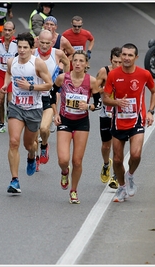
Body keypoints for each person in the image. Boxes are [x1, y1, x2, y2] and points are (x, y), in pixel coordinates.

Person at [103, 43, 155, 203]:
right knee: (118, 159)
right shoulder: (113, 75)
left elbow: (154, 91)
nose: (126, 58)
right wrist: (117, 103)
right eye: (124, 55)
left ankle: (131, 175)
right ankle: (121, 187)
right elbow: (105, 98)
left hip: (137, 120)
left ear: (136, 57)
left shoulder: (144, 74)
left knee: (136, 154)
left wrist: (150, 111)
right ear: (120, 56)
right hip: (118, 121)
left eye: (129, 55)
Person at [1, 32, 53, 194]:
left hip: (34, 109)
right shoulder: (12, 61)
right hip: (16, 107)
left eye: (25, 47)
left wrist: (30, 87)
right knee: (14, 142)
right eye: (20, 47)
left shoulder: (37, 64)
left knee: (28, 145)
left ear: (32, 48)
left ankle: (32, 155)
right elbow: (9, 72)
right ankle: (14, 180)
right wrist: (5, 84)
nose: (22, 50)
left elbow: (49, 84)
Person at [49, 50, 102, 204]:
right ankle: (65, 172)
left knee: (77, 161)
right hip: (65, 120)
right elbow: (52, 94)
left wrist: (89, 106)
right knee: (63, 159)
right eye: (76, 60)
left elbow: (98, 103)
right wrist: (55, 113)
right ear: (72, 62)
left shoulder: (91, 81)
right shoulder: (62, 78)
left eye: (81, 61)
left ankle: (74, 190)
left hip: (81, 122)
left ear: (86, 64)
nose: (78, 63)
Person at [32, 29, 70, 170]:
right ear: (37, 41)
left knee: (43, 128)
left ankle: (44, 145)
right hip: (33, 97)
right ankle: (35, 158)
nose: (44, 46)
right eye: (41, 42)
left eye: (47, 43)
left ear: (52, 42)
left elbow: (67, 63)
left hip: (48, 97)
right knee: (34, 132)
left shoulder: (57, 53)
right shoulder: (32, 53)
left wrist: (64, 79)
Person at [96, 47, 122, 189]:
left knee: (118, 145)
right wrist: (106, 88)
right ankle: (106, 164)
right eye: (115, 61)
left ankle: (116, 176)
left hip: (121, 114)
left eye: (120, 62)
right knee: (106, 145)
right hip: (106, 113)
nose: (118, 65)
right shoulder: (104, 71)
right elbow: (94, 89)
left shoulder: (126, 72)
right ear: (110, 60)